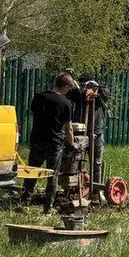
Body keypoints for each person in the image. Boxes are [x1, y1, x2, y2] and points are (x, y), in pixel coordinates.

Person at [20, 72, 77, 212]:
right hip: (55, 143)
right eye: (69, 88)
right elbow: (68, 128)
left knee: (32, 171)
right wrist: (71, 143)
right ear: (65, 87)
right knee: (52, 175)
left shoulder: (39, 97)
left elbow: (36, 115)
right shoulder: (66, 103)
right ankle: (48, 208)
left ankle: (24, 202)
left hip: (37, 140)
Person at [70, 72, 110, 186]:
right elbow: (68, 93)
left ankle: (96, 187)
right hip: (80, 133)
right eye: (82, 85)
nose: (84, 88)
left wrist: (94, 91)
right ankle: (76, 187)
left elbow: (106, 94)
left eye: (86, 85)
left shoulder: (100, 94)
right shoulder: (78, 94)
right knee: (76, 161)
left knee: (96, 162)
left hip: (96, 132)